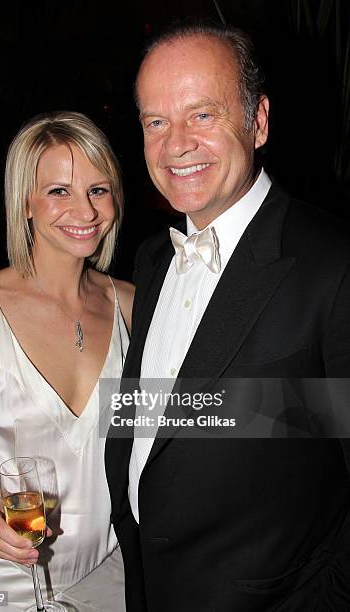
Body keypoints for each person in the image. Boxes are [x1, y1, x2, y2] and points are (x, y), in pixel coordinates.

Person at [105, 21, 350, 611]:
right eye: (155, 122)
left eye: (203, 115)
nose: (175, 144)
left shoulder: (335, 261)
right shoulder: (153, 257)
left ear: (258, 121)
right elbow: (159, 420)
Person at [0, 111, 134, 611]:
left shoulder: (135, 305)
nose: (85, 211)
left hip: (108, 573)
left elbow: (174, 422)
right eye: (58, 191)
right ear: (25, 201)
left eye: (98, 189)